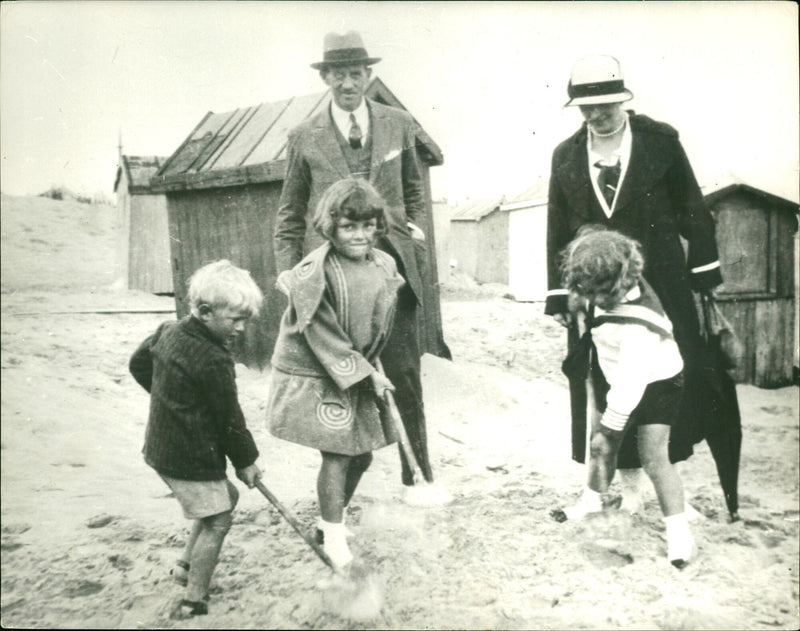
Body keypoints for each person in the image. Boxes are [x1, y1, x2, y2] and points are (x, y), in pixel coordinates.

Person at [274, 30, 449, 506]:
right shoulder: (303, 136)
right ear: (326, 77)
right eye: (338, 74)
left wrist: (415, 228)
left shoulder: (398, 123)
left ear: (369, 75)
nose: (348, 83)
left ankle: (420, 478)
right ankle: (337, 499)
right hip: (334, 282)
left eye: (356, 73)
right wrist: (289, 272)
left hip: (394, 279)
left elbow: (414, 187)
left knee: (405, 377)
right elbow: (290, 213)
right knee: (343, 381)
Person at [546, 55, 724, 512]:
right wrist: (563, 294)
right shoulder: (566, 155)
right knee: (606, 386)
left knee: (661, 381)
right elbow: (557, 228)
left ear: (622, 100)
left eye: (604, 105)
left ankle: (663, 478)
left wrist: (704, 274)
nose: (596, 115)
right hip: (596, 293)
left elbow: (693, 207)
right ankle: (629, 491)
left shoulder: (660, 143)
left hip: (660, 288)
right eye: (586, 107)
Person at [267, 178, 404, 568]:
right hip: (317, 370)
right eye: (349, 226)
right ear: (331, 226)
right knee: (339, 455)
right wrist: (364, 372)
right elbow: (321, 332)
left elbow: (380, 318)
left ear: (378, 224)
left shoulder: (384, 263)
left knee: (362, 456)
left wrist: (373, 359)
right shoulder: (315, 272)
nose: (360, 235)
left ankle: (330, 522)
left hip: (356, 367)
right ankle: (333, 536)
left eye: (367, 225)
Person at [129, 260, 264, 619]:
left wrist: (169, 400)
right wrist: (247, 462)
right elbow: (229, 419)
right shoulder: (215, 359)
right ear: (204, 312)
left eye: (246, 318)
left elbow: (138, 364)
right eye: (234, 319)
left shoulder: (167, 330)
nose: (241, 327)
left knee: (225, 498)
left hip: (162, 448)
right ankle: (194, 598)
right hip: (187, 455)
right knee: (219, 519)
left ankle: (185, 566)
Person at [554, 226, 695, 568]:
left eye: (600, 294)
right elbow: (591, 243)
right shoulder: (603, 279)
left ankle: (679, 536)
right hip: (616, 376)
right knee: (600, 446)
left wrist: (609, 429)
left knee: (652, 455)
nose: (595, 300)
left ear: (621, 283)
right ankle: (591, 500)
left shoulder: (639, 326)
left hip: (658, 382)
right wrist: (575, 301)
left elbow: (632, 387)